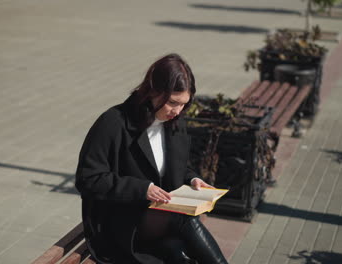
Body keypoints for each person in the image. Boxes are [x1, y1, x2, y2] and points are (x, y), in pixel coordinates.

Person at [75, 53, 228, 264]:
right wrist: (142, 188)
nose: (178, 110)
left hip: (159, 220)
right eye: (173, 102)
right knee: (182, 219)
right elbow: (88, 179)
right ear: (154, 91)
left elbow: (177, 168)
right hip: (120, 223)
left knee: (176, 250)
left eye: (184, 103)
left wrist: (192, 180)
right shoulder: (113, 122)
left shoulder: (175, 123)